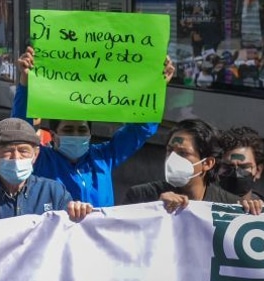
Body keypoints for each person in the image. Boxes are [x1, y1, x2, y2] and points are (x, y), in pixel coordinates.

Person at [10, 46, 168, 206]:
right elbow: (20, 131)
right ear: (53, 135)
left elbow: (139, 130)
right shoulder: (41, 159)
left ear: (90, 134)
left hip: (99, 231)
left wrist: (156, 86)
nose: (76, 135)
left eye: (82, 130)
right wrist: (25, 82)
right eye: (68, 130)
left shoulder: (103, 157)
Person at [0, 118, 92, 226]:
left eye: (23, 151)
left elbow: (69, 235)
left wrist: (79, 215)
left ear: (35, 155)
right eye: (7, 151)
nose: (16, 158)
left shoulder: (54, 192)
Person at [124, 119, 263, 214]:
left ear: (207, 163)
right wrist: (155, 209)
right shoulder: (140, 196)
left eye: (183, 153)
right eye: (169, 150)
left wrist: (252, 214)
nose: (173, 158)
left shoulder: (230, 207)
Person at [217, 126, 262, 200]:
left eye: (244, 167)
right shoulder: (202, 206)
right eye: (228, 167)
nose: (236, 174)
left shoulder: (262, 210)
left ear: (257, 171)